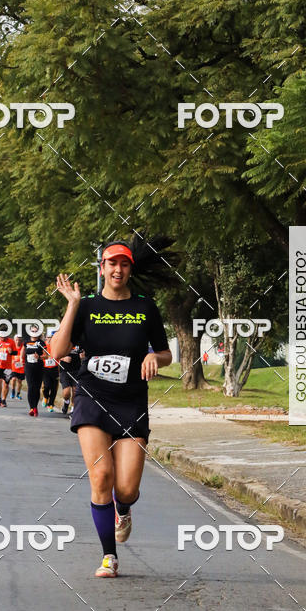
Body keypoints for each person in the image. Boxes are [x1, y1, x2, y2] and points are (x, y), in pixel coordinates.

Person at [51, 239, 172, 578]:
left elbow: (166, 353)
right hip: (92, 398)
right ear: (101, 268)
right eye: (111, 263)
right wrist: (73, 305)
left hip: (132, 401)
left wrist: (153, 356)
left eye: (124, 264)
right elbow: (58, 351)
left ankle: (124, 509)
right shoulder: (86, 306)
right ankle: (109, 556)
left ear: (130, 269)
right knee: (101, 476)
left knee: (127, 489)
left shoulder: (145, 307)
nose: (118, 269)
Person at [24, 330, 46, 416]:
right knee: (30, 386)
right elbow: (23, 353)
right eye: (32, 331)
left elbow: (46, 356)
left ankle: (35, 407)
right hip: (29, 366)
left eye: (36, 331)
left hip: (38, 367)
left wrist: (39, 357)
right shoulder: (26, 342)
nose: (34, 332)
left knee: (37, 387)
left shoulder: (41, 343)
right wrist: (22, 362)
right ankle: (31, 408)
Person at [59, 344, 82, 416]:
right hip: (64, 370)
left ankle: (73, 409)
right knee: (66, 393)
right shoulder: (64, 340)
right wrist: (63, 358)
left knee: (75, 390)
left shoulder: (80, 342)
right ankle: (66, 402)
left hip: (76, 370)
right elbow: (55, 354)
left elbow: (84, 353)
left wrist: (82, 357)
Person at [42, 332, 60, 412]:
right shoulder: (43, 345)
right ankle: (45, 397)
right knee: (46, 386)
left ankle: (51, 404)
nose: (50, 339)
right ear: (46, 338)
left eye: (51, 337)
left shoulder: (57, 345)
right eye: (48, 337)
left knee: (54, 388)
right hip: (45, 369)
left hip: (55, 368)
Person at [10, 335, 25, 400]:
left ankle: (18, 393)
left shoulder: (23, 347)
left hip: (21, 367)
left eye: (19, 340)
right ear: (14, 340)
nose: (18, 341)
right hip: (14, 367)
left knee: (19, 381)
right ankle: (13, 390)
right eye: (16, 340)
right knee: (13, 379)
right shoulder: (12, 347)